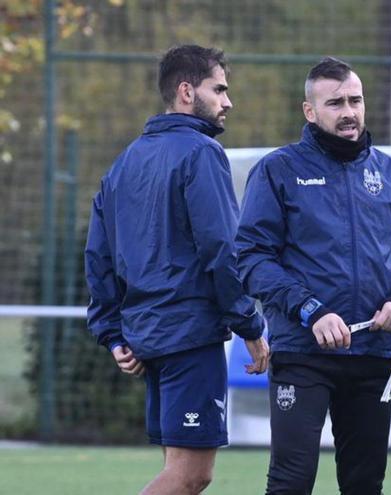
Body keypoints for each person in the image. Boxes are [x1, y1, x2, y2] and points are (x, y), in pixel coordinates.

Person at [235, 56, 391, 495]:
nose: (349, 111)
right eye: (335, 103)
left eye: (356, 100)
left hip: (373, 353)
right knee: (291, 482)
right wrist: (311, 311)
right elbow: (251, 258)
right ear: (309, 111)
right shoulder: (277, 171)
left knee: (364, 484)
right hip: (303, 352)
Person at [84, 45, 270, 495]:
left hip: (149, 336)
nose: (228, 102)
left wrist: (112, 332)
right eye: (219, 89)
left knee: (178, 467)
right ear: (187, 91)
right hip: (189, 336)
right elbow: (222, 250)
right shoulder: (201, 153)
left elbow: (98, 255)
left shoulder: (126, 160)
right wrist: (250, 324)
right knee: (191, 476)